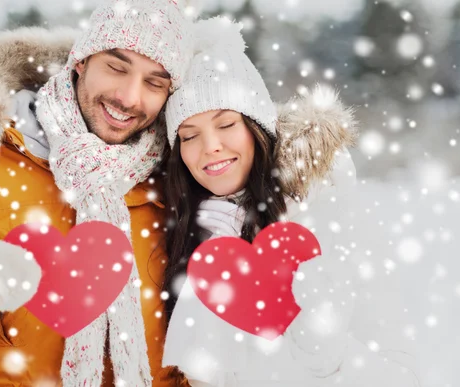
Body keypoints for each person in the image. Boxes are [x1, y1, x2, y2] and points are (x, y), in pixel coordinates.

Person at [0, 0, 196, 385]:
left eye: (154, 82)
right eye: (116, 66)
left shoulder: (180, 175)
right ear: (80, 61)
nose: (129, 97)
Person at [161, 17, 421, 387]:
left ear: (258, 128)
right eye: (188, 136)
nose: (210, 147)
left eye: (226, 124)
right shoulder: (186, 233)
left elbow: (403, 374)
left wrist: (329, 355)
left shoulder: (326, 211)